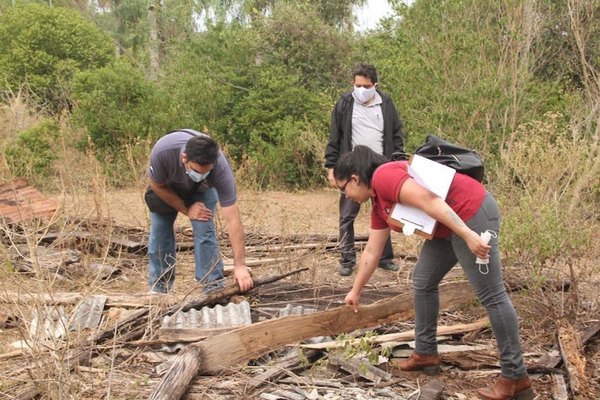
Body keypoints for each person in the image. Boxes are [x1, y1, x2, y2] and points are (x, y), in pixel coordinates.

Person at [334, 146, 533, 400]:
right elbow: (372, 252)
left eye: (343, 189)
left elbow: (430, 200)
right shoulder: (378, 203)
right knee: (423, 281)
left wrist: (469, 235)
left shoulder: (384, 175)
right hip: (448, 226)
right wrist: (355, 291)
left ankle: (516, 378)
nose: (346, 196)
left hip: (471, 214)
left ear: (354, 178)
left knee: (492, 295)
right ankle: (426, 353)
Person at [144, 129, 254, 294]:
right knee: (160, 231)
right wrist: (186, 209)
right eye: (196, 171)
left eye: (206, 172)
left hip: (202, 191)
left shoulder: (220, 169)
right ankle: (159, 288)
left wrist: (240, 266)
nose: (201, 175)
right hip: (168, 188)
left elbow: (233, 220)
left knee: (205, 230)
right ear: (184, 158)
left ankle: (212, 287)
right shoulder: (163, 151)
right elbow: (157, 185)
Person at [324, 62, 407, 276]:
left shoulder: (386, 103)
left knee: (384, 211)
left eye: (366, 86)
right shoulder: (344, 103)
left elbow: (396, 134)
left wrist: (398, 160)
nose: (361, 90)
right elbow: (335, 137)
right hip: (352, 166)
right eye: (357, 85)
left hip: (382, 167)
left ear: (375, 85)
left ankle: (385, 257)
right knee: (347, 214)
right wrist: (331, 167)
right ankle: (347, 259)